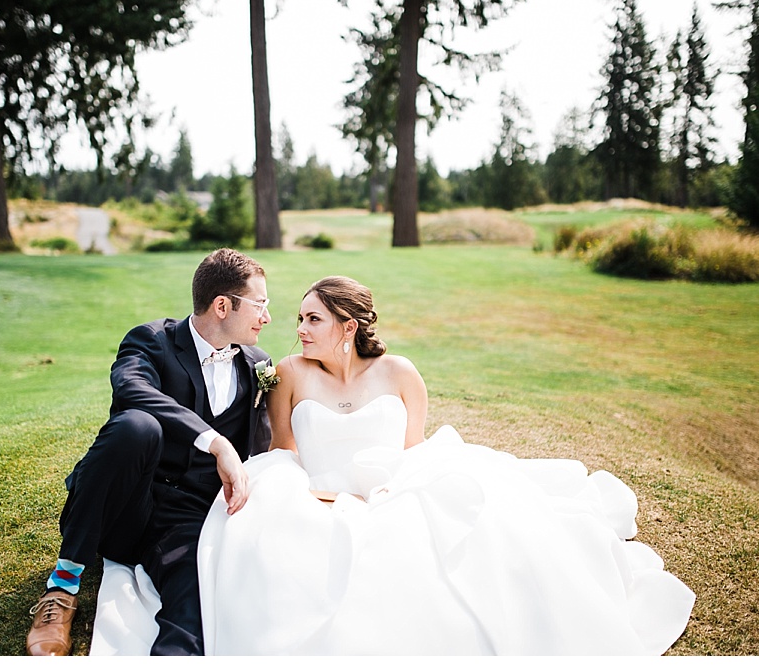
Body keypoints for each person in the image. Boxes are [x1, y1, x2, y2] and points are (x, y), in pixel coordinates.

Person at [196, 275, 696, 655]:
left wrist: (386, 493)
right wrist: (315, 497)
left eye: (313, 319)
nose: (300, 329)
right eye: (299, 319)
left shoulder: (399, 373)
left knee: (476, 545)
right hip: (319, 498)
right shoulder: (288, 374)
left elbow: (413, 452)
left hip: (395, 492)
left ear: (348, 326)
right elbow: (285, 450)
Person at [25, 248, 274, 656]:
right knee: (137, 425)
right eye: (260, 304)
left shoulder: (257, 364)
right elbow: (131, 389)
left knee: (195, 605)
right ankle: (62, 588)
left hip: (188, 520)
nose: (267, 317)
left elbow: (263, 447)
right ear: (222, 305)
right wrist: (214, 441)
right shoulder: (152, 340)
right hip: (122, 506)